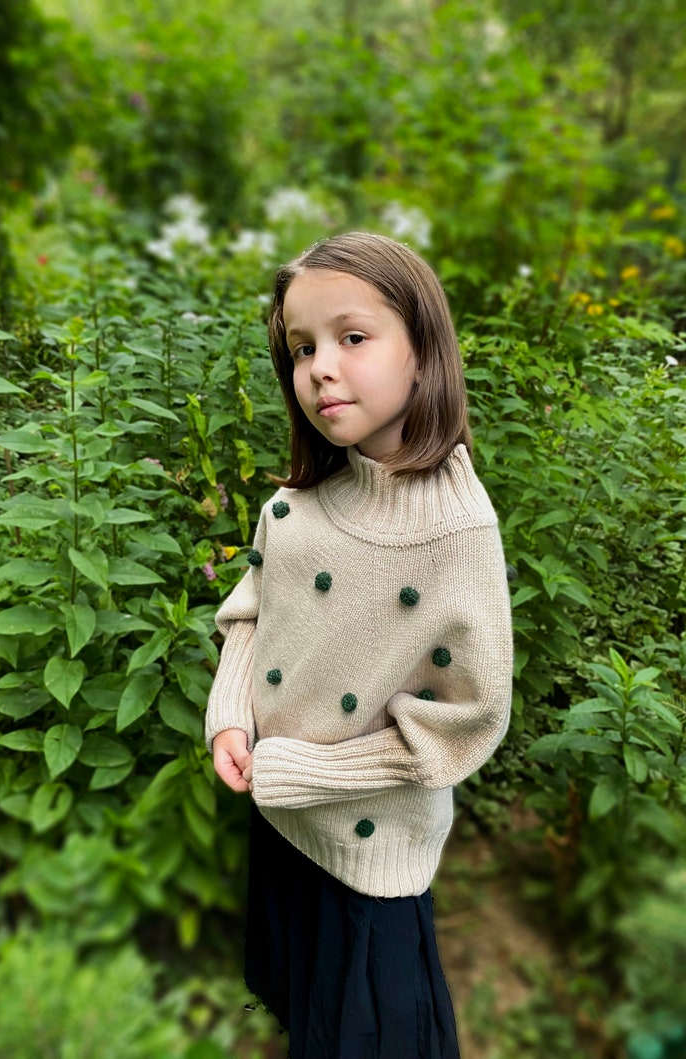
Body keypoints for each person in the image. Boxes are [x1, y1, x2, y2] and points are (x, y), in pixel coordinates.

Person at [205, 231, 514, 1059]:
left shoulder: (455, 530)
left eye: (351, 336)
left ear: (423, 349)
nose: (320, 368)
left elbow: (467, 718)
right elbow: (252, 613)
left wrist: (308, 771)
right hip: (284, 821)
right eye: (301, 346)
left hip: (370, 848)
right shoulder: (300, 505)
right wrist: (232, 713)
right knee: (306, 1003)